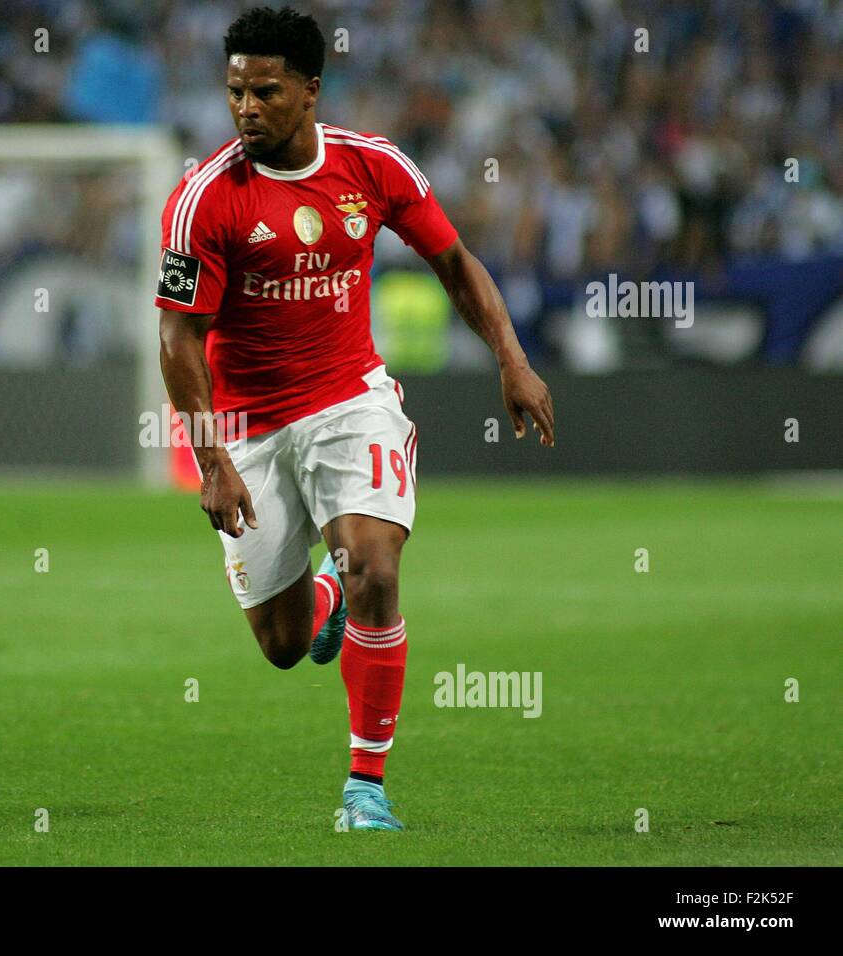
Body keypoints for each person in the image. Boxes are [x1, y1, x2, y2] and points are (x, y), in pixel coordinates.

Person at [156, 6, 555, 830]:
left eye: (264, 91)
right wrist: (212, 459)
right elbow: (178, 335)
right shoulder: (203, 202)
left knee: (377, 565)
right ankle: (323, 592)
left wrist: (512, 359)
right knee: (282, 644)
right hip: (248, 428)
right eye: (234, 92)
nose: (246, 108)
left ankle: (364, 789)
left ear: (310, 91)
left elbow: (454, 261)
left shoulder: (374, 167)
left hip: (349, 401)